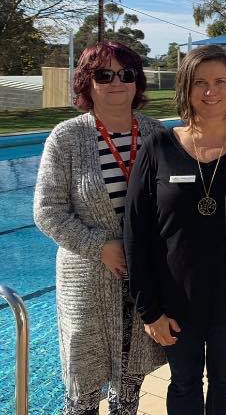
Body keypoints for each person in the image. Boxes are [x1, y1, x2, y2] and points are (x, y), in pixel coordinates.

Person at [124, 45, 226, 414]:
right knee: (183, 384)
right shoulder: (158, 147)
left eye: (219, 82)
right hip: (176, 299)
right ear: (185, 88)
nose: (210, 92)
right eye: (200, 83)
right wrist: (149, 310)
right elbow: (137, 231)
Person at [34, 41, 166, 415]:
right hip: (87, 279)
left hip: (142, 277)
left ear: (138, 82)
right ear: (86, 83)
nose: (117, 83)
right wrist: (100, 246)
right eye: (104, 74)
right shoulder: (67, 137)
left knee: (129, 386)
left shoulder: (157, 134)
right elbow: (47, 211)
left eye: (126, 74)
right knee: (84, 386)